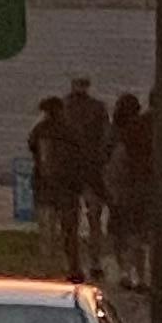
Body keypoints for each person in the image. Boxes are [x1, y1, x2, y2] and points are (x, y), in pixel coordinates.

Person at [57, 73, 112, 285]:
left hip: (74, 170)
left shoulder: (63, 107)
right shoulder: (96, 108)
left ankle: (76, 263)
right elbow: (105, 137)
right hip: (89, 169)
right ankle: (93, 262)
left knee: (74, 220)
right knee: (93, 218)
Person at [102, 90, 153, 299]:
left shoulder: (119, 133)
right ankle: (140, 275)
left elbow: (110, 163)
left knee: (123, 233)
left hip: (123, 190)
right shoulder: (145, 129)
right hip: (143, 190)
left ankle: (125, 270)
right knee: (140, 235)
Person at [25, 93, 76, 274]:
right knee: (67, 229)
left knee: (47, 227)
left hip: (44, 185)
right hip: (65, 186)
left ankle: (47, 264)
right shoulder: (69, 130)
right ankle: (65, 264)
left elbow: (32, 146)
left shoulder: (40, 130)